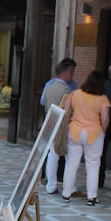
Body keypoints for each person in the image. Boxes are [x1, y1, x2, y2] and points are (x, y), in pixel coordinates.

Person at [61, 70, 110, 206]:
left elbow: (66, 112)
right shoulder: (102, 99)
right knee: (93, 165)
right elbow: (105, 118)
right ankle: (91, 196)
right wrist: (102, 131)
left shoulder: (75, 94)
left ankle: (66, 193)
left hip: (75, 130)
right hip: (94, 133)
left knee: (71, 163)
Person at [41, 58, 77, 195]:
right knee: (63, 155)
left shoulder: (50, 86)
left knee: (52, 155)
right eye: (72, 72)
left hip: (50, 120)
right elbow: (69, 110)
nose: (72, 75)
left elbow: (43, 102)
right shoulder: (66, 89)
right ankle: (68, 187)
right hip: (61, 125)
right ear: (66, 72)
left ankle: (51, 184)